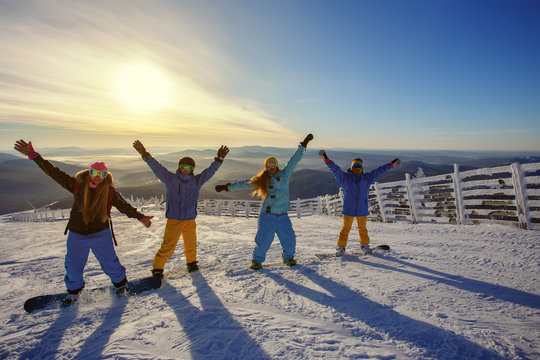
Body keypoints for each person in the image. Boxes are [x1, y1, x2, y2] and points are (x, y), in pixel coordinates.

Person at [13, 140, 153, 303]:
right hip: (77, 233)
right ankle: (74, 291)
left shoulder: (109, 192)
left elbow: (125, 207)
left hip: (101, 233)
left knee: (110, 262)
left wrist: (141, 217)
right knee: (73, 265)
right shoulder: (77, 186)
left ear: (106, 176)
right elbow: (54, 173)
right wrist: (34, 155)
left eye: (101, 174)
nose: (97, 177)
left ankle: (121, 285)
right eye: (95, 172)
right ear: (90, 172)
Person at [215, 134, 313, 270]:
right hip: (267, 215)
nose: (271, 167)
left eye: (273, 164)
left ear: (277, 165)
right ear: (266, 167)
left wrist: (303, 145)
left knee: (290, 239)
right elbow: (244, 184)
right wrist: (227, 187)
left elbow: (294, 160)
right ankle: (257, 260)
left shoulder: (285, 174)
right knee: (264, 241)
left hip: (283, 215)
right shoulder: (261, 180)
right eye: (268, 165)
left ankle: (288, 258)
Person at [133, 140, 229, 277]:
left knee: (191, 245)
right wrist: (145, 155)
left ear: (192, 170)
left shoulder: (197, 181)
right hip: (174, 220)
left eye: (188, 168)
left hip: (190, 220)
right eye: (183, 167)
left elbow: (210, 172)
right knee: (168, 247)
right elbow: (157, 168)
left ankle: (192, 263)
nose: (186, 170)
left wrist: (219, 160)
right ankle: (158, 269)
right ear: (179, 167)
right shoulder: (170, 179)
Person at [319, 149, 400, 255]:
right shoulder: (346, 178)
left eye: (359, 167)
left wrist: (391, 165)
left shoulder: (366, 178)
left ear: (361, 168)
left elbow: (379, 171)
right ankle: (341, 248)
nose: (357, 169)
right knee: (346, 229)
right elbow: (335, 169)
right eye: (355, 167)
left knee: (362, 229)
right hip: (349, 210)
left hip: (361, 210)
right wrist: (326, 159)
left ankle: (365, 246)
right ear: (352, 168)